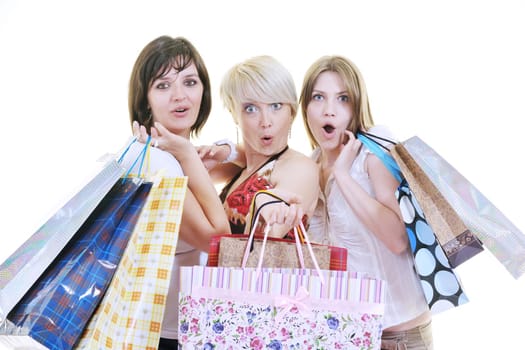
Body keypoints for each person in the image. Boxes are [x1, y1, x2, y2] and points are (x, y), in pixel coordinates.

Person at [299, 55, 433, 349]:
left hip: (398, 337)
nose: (329, 111)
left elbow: (397, 239)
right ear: (305, 107)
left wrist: (343, 176)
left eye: (342, 99)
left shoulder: (373, 150)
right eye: (318, 97)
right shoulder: (310, 165)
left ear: (356, 106)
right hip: (345, 334)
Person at [120, 35, 230, 349]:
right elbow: (217, 244)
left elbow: (249, 159)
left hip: (163, 328)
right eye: (163, 85)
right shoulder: (161, 163)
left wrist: (222, 150)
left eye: (190, 82)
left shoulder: (156, 153)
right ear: (145, 100)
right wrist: (190, 157)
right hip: (162, 334)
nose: (180, 96)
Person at [204, 55, 320, 238]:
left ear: (291, 112)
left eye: (276, 106)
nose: (266, 122)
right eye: (251, 109)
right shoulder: (240, 169)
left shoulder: (300, 168)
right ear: (234, 114)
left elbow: (266, 241)